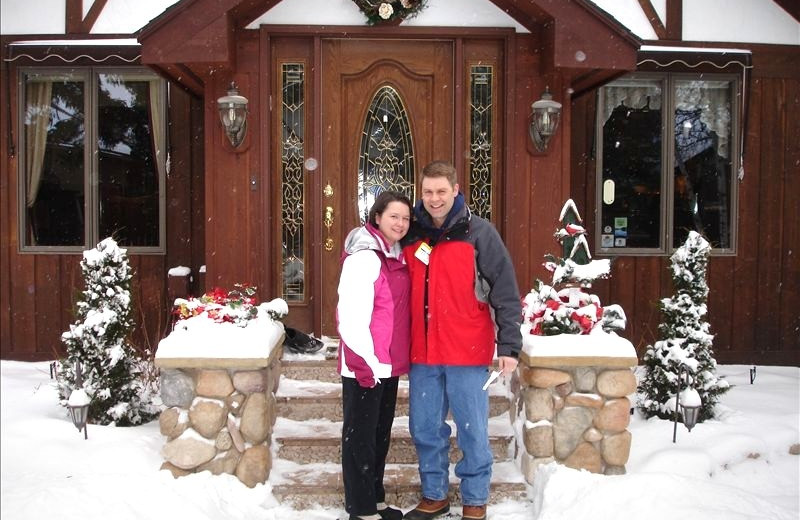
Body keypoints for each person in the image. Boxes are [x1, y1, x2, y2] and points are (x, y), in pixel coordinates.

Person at [401, 161, 522, 520]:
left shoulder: (479, 232)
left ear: (455, 190)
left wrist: (509, 347)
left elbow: (505, 291)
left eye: (441, 191)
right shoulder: (411, 232)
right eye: (427, 192)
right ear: (419, 193)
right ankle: (435, 494)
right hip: (423, 353)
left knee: (472, 430)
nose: (434, 199)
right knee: (424, 428)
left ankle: (474, 498)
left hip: (467, 351)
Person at [337, 190, 414, 520]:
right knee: (360, 439)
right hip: (365, 365)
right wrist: (362, 363)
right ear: (377, 217)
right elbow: (350, 315)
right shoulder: (365, 257)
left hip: (387, 362)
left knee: (379, 434)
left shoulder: (394, 254)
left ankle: (376, 497)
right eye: (394, 216)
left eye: (406, 218)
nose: (400, 223)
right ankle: (361, 508)